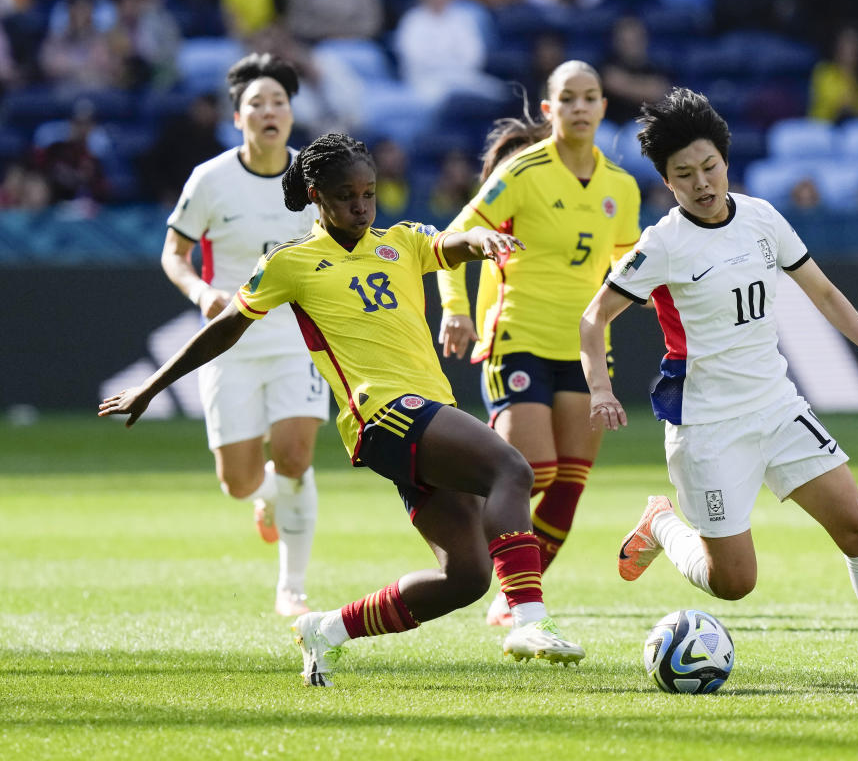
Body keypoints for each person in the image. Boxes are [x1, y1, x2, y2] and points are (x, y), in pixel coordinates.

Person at [100, 132, 585, 686]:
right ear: (316, 196)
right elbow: (225, 329)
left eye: (369, 193)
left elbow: (453, 244)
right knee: (512, 469)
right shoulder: (292, 262)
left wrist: (482, 239)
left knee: (467, 577)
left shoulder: (400, 240)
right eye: (347, 196)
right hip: (382, 414)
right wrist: (152, 386)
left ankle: (326, 630)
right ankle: (529, 619)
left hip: (424, 412)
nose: (361, 206)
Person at [580, 87, 858, 685]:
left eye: (710, 166)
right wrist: (601, 389)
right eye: (685, 175)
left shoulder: (762, 217)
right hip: (708, 426)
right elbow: (593, 318)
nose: (703, 183)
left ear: (726, 159)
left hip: (777, 406)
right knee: (734, 583)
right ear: (667, 181)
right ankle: (662, 521)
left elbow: (823, 292)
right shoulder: (662, 245)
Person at [436, 60, 642, 627]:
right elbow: (452, 240)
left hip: (582, 348)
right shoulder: (522, 172)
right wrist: (455, 311)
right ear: (550, 110)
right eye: (568, 99)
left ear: (604, 107)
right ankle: (459, 526)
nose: (580, 107)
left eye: (590, 97)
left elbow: (625, 268)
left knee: (569, 484)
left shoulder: (621, 189)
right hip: (517, 337)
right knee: (534, 472)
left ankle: (515, 594)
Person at [159, 54, 328, 617]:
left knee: (297, 456)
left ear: (290, 112)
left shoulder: (314, 176)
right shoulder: (210, 179)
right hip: (228, 338)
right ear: (238, 118)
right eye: (256, 103)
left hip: (297, 335)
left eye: (278, 101)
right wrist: (199, 293)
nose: (268, 110)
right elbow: (174, 254)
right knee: (238, 481)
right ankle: (264, 499)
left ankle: (293, 588)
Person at [808, 24, 858, 124]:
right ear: (838, 48)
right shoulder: (824, 71)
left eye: (856, 46)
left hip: (857, 128)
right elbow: (826, 104)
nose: (852, 51)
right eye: (848, 45)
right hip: (824, 126)